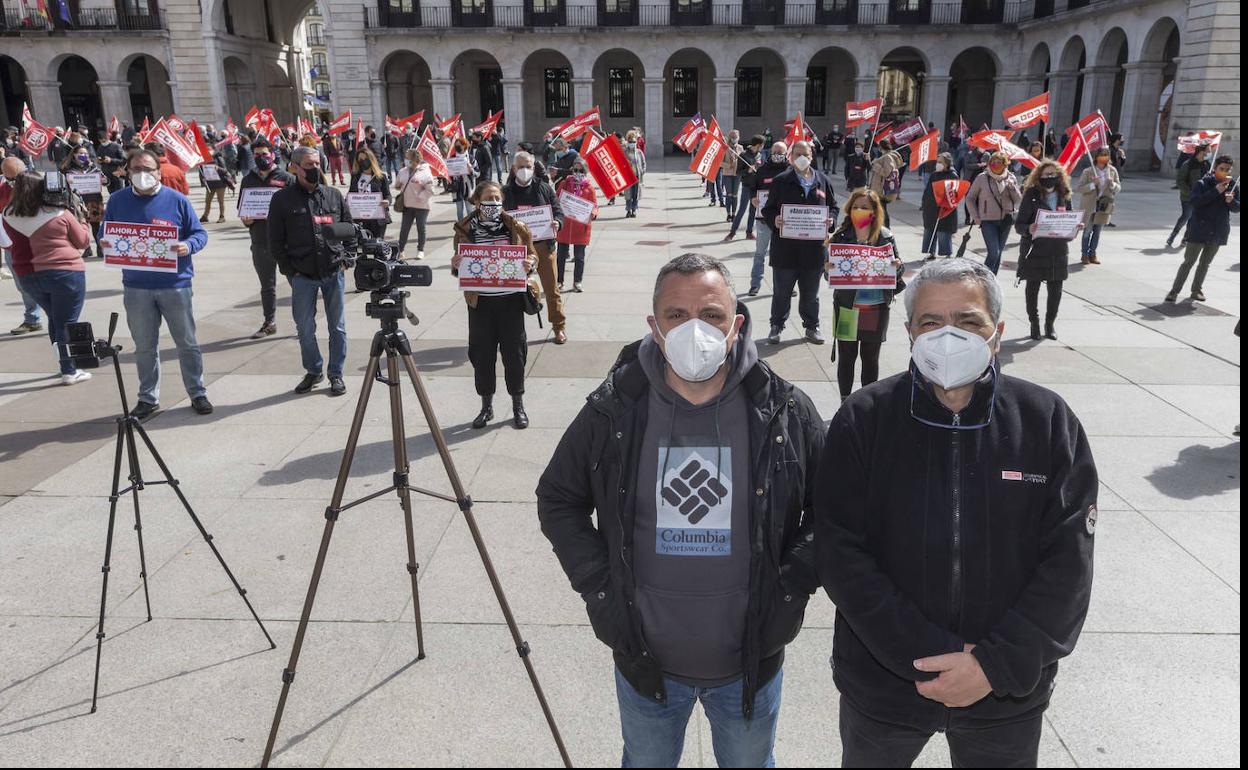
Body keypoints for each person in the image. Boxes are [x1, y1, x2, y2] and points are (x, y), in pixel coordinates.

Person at [536, 252, 824, 767]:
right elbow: (559, 498)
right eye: (676, 315)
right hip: (647, 666)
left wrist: (789, 588)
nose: (696, 329)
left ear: (736, 325)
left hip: (748, 667)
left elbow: (831, 511)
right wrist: (600, 590)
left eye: (711, 315)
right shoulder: (613, 408)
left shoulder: (785, 409)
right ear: (654, 325)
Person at [815, 257, 1097, 769]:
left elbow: (1068, 563)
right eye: (930, 323)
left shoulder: (1046, 421)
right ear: (908, 332)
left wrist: (992, 665)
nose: (948, 336)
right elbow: (839, 553)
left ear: (997, 332)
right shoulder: (863, 419)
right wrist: (928, 655)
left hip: (1004, 694)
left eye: (968, 322)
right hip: (885, 689)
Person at [101, 148, 212, 417]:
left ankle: (197, 392)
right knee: (145, 346)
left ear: (158, 171)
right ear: (127, 172)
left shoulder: (177, 200)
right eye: (136, 169)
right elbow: (104, 230)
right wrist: (103, 242)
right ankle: (148, 398)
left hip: (175, 285)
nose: (142, 174)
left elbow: (200, 233)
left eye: (148, 169)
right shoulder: (117, 201)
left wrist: (188, 245)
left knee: (186, 342)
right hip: (137, 286)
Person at [451, 180, 538, 429]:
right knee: (482, 354)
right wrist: (456, 264)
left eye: (497, 199)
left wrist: (529, 263)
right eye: (488, 199)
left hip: (510, 301)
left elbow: (533, 255)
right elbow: (457, 265)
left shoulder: (516, 226)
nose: (494, 204)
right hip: (480, 304)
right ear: (477, 202)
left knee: (515, 354)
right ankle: (486, 407)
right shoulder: (465, 228)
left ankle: (517, 406)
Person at [268, 145, 353, 397]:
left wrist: (348, 257)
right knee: (305, 328)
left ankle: (336, 373)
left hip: (333, 271)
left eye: (317, 164)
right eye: (309, 165)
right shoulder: (281, 199)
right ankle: (314, 369)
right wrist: (289, 271)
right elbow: (275, 240)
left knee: (337, 327)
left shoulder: (333, 195)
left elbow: (349, 228)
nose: (315, 169)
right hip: (302, 275)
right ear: (294, 167)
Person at [1, 171, 91, 384]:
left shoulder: (8, 214)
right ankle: (70, 370)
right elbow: (83, 241)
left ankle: (65, 365)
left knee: (55, 319)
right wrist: (83, 220)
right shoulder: (59, 213)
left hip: (28, 276)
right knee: (66, 322)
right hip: (65, 272)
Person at [827, 188, 905, 399]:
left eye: (865, 207)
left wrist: (897, 267)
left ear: (874, 211)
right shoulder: (841, 236)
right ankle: (845, 400)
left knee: (870, 357)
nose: (859, 210)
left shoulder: (885, 236)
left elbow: (898, 271)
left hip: (875, 306)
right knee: (847, 356)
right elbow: (830, 276)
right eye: (856, 207)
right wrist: (828, 270)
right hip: (847, 306)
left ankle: (867, 402)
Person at [760, 140, 839, 345]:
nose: (802, 158)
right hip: (786, 250)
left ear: (812, 156)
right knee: (781, 293)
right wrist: (774, 220)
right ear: (791, 157)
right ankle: (776, 326)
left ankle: (812, 327)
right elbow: (768, 209)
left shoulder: (823, 180)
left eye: (806, 154)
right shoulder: (781, 180)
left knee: (810, 295)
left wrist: (831, 220)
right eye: (797, 155)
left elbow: (834, 207)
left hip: (813, 251)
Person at [503, 151, 568, 344]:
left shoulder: (545, 189)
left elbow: (558, 211)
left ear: (534, 168)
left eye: (528, 166)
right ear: (514, 169)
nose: (525, 170)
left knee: (551, 289)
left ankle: (559, 327)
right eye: (520, 167)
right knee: (513, 292)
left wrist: (557, 222)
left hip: (543, 247)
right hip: (517, 250)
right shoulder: (505, 192)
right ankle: (512, 332)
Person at [1015, 159, 1083, 341]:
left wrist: (1074, 227)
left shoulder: (1064, 195)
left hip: (1058, 250)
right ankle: (1034, 322)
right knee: (1033, 289)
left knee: (1056, 290)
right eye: (1046, 174)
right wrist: (1029, 228)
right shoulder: (1031, 194)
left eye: (1053, 174)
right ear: (1039, 176)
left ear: (1059, 176)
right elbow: (1019, 224)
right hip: (1035, 249)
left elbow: (1068, 221)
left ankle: (1049, 324)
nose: (1050, 178)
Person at [238, 139, 295, 339]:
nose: (261, 158)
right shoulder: (248, 180)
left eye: (265, 153)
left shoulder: (287, 178)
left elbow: (297, 208)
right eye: (257, 155)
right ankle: (269, 322)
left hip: (287, 242)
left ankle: (304, 322)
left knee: (297, 283)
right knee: (267, 286)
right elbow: (242, 209)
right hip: (260, 240)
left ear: (273, 154)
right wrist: (246, 220)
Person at [1166, 154, 1240, 303]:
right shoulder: (1203, 183)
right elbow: (1195, 202)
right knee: (1188, 262)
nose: (1224, 172)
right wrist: (1215, 191)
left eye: (1227, 170)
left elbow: (1237, 208)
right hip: (1199, 229)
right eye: (1221, 169)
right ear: (1215, 168)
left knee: (1205, 263)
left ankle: (1196, 290)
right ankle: (1174, 291)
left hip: (1218, 230)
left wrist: (1231, 202)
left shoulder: (1233, 185)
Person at [1, 157, 43, 334]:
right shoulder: (2, 189)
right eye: (9, 178)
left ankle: (62, 319)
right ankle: (32, 319)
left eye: (16, 177)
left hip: (42, 244)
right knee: (23, 285)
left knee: (52, 283)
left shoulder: (38, 184)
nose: (14, 182)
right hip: (13, 247)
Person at [966, 151, 1022, 274]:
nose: (995, 165)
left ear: (1005, 164)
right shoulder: (982, 177)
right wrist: (975, 216)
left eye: (999, 162)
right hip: (988, 221)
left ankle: (992, 280)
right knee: (994, 252)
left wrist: (1012, 188)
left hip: (1006, 219)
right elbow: (969, 198)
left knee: (998, 253)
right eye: (993, 162)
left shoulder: (1011, 178)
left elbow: (1018, 200)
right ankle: (983, 277)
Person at [746, 141, 791, 296]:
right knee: (760, 253)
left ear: (786, 154)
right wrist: (753, 198)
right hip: (764, 220)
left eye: (781, 152)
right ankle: (755, 284)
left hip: (785, 222)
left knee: (784, 255)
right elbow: (752, 188)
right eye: (775, 152)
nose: (777, 155)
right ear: (770, 152)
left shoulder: (791, 170)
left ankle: (786, 286)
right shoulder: (762, 170)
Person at [554, 157, 599, 292]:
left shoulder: (589, 187)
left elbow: (594, 204)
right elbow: (556, 199)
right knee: (561, 256)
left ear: (585, 171)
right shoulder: (564, 183)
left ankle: (577, 282)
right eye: (575, 169)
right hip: (565, 226)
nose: (577, 172)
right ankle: (559, 281)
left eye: (581, 170)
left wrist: (594, 213)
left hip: (581, 227)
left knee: (579, 257)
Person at [59, 145, 107, 258]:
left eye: (85, 153)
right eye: (80, 153)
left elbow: (106, 181)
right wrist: (67, 182)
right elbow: (62, 186)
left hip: (94, 200)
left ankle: (100, 249)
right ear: (74, 155)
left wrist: (104, 180)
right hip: (77, 202)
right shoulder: (67, 169)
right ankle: (87, 249)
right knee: (81, 226)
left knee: (96, 227)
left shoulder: (93, 168)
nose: (83, 156)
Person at [1076, 147, 1121, 265]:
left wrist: (1112, 184)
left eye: (1106, 155)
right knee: (1087, 230)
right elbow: (1079, 188)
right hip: (1089, 206)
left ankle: (1093, 254)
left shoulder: (1112, 170)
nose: (1103, 157)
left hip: (1104, 206)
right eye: (1101, 155)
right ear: (1096, 157)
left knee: (1097, 231)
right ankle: (1084, 254)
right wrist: (1092, 185)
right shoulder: (1088, 171)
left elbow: (1118, 188)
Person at [393, 148, 436, 261]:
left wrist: (420, 196)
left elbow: (431, 190)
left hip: (422, 206)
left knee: (421, 228)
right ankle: (400, 250)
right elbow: (397, 185)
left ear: (413, 159)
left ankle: (420, 250)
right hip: (407, 205)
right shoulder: (403, 171)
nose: (406, 160)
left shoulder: (425, 172)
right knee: (404, 229)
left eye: (407, 158)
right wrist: (398, 184)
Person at [1167, 143, 1210, 248]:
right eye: (1208, 151)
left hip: (1201, 197)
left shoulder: (1207, 164)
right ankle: (1173, 235)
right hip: (1188, 196)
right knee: (1186, 216)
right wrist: (1189, 192)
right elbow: (1180, 181)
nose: (1209, 153)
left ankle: (1185, 239)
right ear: (1201, 151)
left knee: (1193, 219)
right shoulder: (1188, 164)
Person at [920, 153, 959, 261]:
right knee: (930, 230)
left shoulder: (952, 175)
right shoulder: (934, 175)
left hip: (944, 208)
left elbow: (954, 194)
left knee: (943, 231)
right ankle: (931, 252)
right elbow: (928, 190)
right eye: (937, 162)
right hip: (931, 208)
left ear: (947, 164)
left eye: (940, 162)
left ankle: (947, 253)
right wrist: (924, 203)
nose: (938, 164)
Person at [349, 146, 392, 239]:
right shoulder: (355, 176)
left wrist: (387, 201)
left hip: (377, 218)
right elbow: (351, 193)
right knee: (362, 246)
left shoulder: (381, 177)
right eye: (360, 159)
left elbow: (388, 195)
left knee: (377, 245)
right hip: (360, 217)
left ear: (371, 159)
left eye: (365, 158)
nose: (363, 161)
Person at [725, 135, 763, 241]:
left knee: (753, 211)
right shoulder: (743, 155)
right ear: (758, 145)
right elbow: (738, 173)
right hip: (747, 186)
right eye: (762, 145)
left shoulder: (759, 155)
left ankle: (749, 232)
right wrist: (748, 171)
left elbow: (761, 168)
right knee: (742, 209)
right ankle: (732, 233)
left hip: (756, 187)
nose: (762, 147)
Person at [868, 140, 904, 226]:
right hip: (879, 188)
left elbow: (887, 172)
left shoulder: (887, 157)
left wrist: (875, 165)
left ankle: (886, 230)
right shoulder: (885, 156)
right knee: (880, 210)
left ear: (881, 147)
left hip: (881, 190)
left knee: (882, 211)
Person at [198, 150, 234, 225]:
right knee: (207, 201)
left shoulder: (218, 158)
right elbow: (201, 171)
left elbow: (225, 170)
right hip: (210, 184)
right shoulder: (203, 159)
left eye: (209, 148)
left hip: (220, 184)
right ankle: (205, 216)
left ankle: (222, 216)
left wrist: (218, 168)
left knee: (220, 200)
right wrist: (202, 179)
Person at [449, 137, 477, 222]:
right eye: (456, 145)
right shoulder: (452, 158)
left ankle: (471, 226)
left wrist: (471, 170)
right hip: (457, 187)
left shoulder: (471, 158)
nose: (457, 146)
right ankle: (461, 228)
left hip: (468, 187)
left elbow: (478, 173)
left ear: (465, 145)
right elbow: (449, 173)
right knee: (459, 210)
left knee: (469, 209)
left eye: (459, 145)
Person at [622, 129, 647, 219]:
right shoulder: (624, 152)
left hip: (637, 177)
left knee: (635, 195)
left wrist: (642, 171)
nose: (632, 143)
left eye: (633, 141)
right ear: (627, 142)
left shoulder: (639, 152)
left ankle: (634, 210)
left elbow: (643, 163)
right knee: (628, 194)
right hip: (628, 177)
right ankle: (628, 210)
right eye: (630, 141)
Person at [719, 130, 741, 221]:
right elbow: (720, 162)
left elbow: (743, 160)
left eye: (736, 137)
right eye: (732, 137)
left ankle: (734, 214)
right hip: (727, 174)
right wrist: (729, 165)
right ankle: (728, 214)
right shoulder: (725, 148)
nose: (734, 139)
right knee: (729, 194)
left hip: (737, 174)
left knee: (735, 195)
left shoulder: (740, 148)